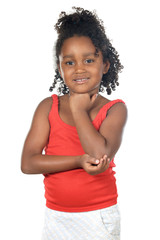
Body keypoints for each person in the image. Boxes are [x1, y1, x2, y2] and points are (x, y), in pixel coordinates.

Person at [21, 7, 127, 240]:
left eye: (89, 60)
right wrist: (78, 161)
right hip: (56, 216)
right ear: (60, 68)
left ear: (105, 65)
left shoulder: (114, 109)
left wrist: (79, 110)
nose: (79, 68)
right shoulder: (48, 108)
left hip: (98, 216)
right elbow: (28, 163)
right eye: (69, 63)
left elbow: (99, 155)